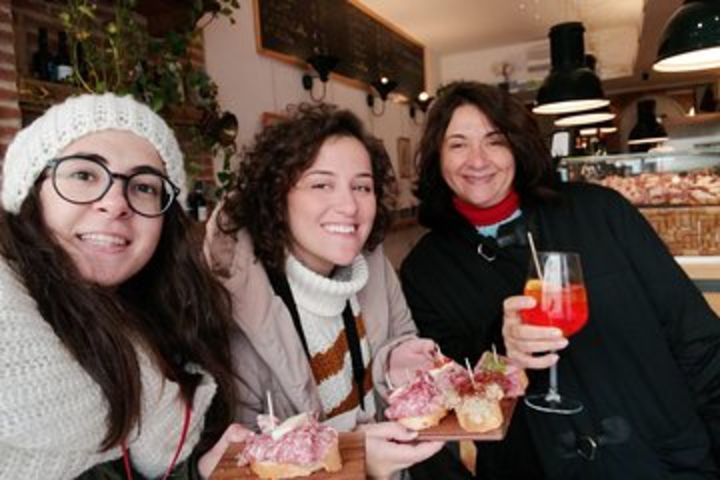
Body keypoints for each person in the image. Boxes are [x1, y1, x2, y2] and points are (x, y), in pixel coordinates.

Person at [400, 81, 720, 479]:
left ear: (517, 146)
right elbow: (453, 392)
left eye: (494, 140)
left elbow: (699, 341)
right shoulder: (425, 270)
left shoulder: (600, 212)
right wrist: (503, 349)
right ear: (437, 158)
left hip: (661, 460)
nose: (477, 160)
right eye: (458, 144)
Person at [0, 93, 247, 479]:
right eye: (84, 175)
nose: (115, 203)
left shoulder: (160, 324)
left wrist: (199, 472)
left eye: (144, 186)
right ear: (30, 190)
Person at [205, 103, 444, 479]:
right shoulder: (235, 297)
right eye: (321, 184)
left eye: (362, 186)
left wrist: (395, 362)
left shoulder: (374, 265)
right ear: (277, 196)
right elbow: (244, 464)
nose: (349, 205)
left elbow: (398, 337)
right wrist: (358, 461)